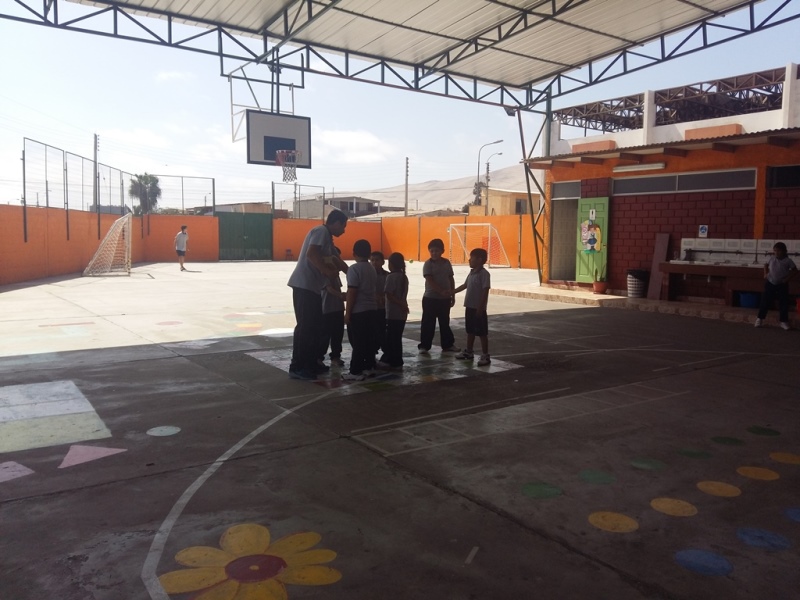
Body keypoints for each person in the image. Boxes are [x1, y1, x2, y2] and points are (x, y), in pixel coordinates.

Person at [287, 210, 348, 380]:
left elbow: (338, 261)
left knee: (315, 327)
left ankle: (311, 363)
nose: (344, 230)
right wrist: (326, 271)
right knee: (305, 327)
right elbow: (311, 253)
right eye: (343, 226)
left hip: (313, 288)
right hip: (304, 285)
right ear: (336, 223)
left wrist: (356, 275)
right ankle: (297, 367)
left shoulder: (328, 240)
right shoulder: (321, 231)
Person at [343, 239, 378, 381]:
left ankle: (355, 371)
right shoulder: (372, 268)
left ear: (354, 254)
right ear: (369, 254)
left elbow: (352, 292)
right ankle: (369, 367)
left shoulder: (354, 269)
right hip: (372, 309)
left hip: (359, 311)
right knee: (369, 340)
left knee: (358, 342)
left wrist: (347, 313)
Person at [418, 238, 458, 354]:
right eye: (432, 251)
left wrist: (452, 294)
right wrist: (441, 291)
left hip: (445, 299)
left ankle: (448, 345)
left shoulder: (447, 263)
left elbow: (450, 278)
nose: (434, 253)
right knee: (428, 323)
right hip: (430, 298)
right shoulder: (428, 264)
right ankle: (424, 346)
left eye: (436, 251)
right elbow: (430, 280)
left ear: (442, 251)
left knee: (444, 322)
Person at [453, 248, 492, 366]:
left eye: (471, 258)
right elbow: (465, 285)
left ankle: (485, 355)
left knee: (482, 332)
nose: (469, 260)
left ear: (479, 260)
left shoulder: (484, 274)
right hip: (469, 306)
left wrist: (481, 307)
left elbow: (485, 291)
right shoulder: (472, 272)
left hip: (478, 308)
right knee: (470, 330)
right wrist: (452, 292)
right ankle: (469, 352)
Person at [755, 241, 797, 330]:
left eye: (779, 251)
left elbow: (795, 270)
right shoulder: (772, 258)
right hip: (770, 282)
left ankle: (783, 321)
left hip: (782, 284)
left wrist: (787, 279)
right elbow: (765, 265)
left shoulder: (788, 261)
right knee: (765, 301)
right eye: (775, 251)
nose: (776, 253)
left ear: (784, 251)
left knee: (783, 302)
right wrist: (765, 273)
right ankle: (760, 319)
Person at [377, 252, 409, 369]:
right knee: (396, 337)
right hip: (401, 313)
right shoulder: (404, 277)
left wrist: (400, 304)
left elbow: (389, 295)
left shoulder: (391, 277)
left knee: (392, 338)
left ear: (391, 264)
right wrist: (403, 305)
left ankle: (393, 360)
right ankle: (396, 360)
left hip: (393, 312)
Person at [320, 246, 346, 368]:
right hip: (328, 309)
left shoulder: (336, 275)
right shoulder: (325, 274)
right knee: (325, 334)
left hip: (338, 308)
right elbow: (329, 289)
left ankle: (336, 356)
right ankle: (319, 357)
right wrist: (341, 296)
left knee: (338, 334)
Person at [370, 251, 389, 356]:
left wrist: (383, 297)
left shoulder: (387, 275)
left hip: (384, 307)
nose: (374, 262)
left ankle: (386, 350)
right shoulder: (368, 275)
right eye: (372, 260)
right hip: (373, 307)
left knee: (383, 329)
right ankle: (373, 349)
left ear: (383, 262)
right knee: (373, 330)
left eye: (377, 260)